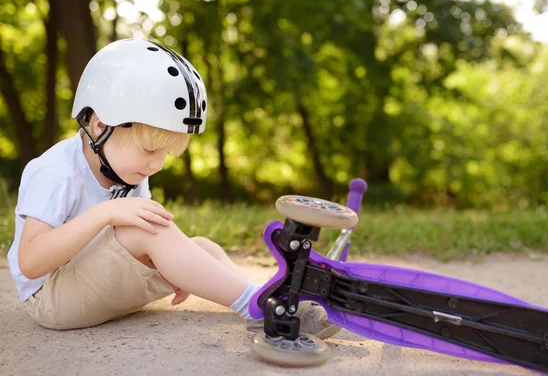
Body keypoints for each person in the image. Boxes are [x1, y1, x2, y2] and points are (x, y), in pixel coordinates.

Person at [6, 38, 340, 338]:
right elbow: (31, 263)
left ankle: (261, 296)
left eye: (166, 154)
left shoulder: (131, 170)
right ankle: (258, 306)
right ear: (101, 125)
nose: (157, 165)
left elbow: (135, 244)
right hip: (52, 298)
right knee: (146, 229)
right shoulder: (54, 170)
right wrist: (105, 213)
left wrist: (175, 264)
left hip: (92, 282)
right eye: (150, 150)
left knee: (203, 248)